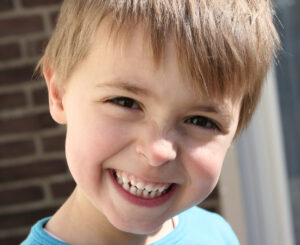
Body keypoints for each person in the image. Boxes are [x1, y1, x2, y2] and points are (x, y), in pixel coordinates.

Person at [21, 0, 280, 244]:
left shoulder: (215, 233)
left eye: (200, 121)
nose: (158, 152)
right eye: (125, 102)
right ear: (58, 94)